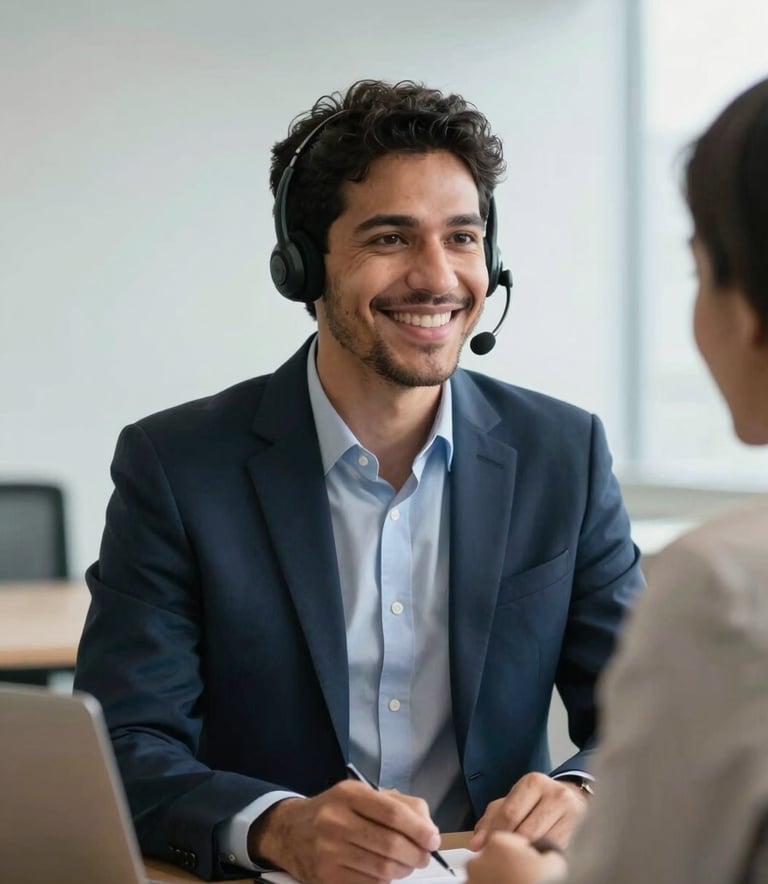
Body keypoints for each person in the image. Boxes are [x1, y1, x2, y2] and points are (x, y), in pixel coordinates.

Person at [74, 79, 644, 883]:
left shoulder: (564, 454)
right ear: (301, 264)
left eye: (463, 237)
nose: (438, 277)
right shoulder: (176, 465)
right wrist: (277, 826)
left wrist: (583, 790)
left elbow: (650, 717)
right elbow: (124, 744)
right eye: (390, 239)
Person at [466, 75, 768, 884]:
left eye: (699, 269)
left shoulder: (725, 587)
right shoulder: (176, 459)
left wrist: (517, 878)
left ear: (744, 307)